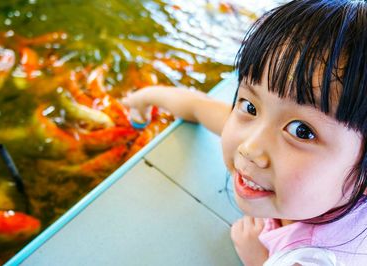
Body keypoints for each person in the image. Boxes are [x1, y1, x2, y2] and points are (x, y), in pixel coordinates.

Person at [124, 0, 367, 265]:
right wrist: (145, 98)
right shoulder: (333, 176)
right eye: (251, 106)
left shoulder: (311, 259)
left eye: (302, 131)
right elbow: (199, 107)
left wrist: (259, 259)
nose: (249, 148)